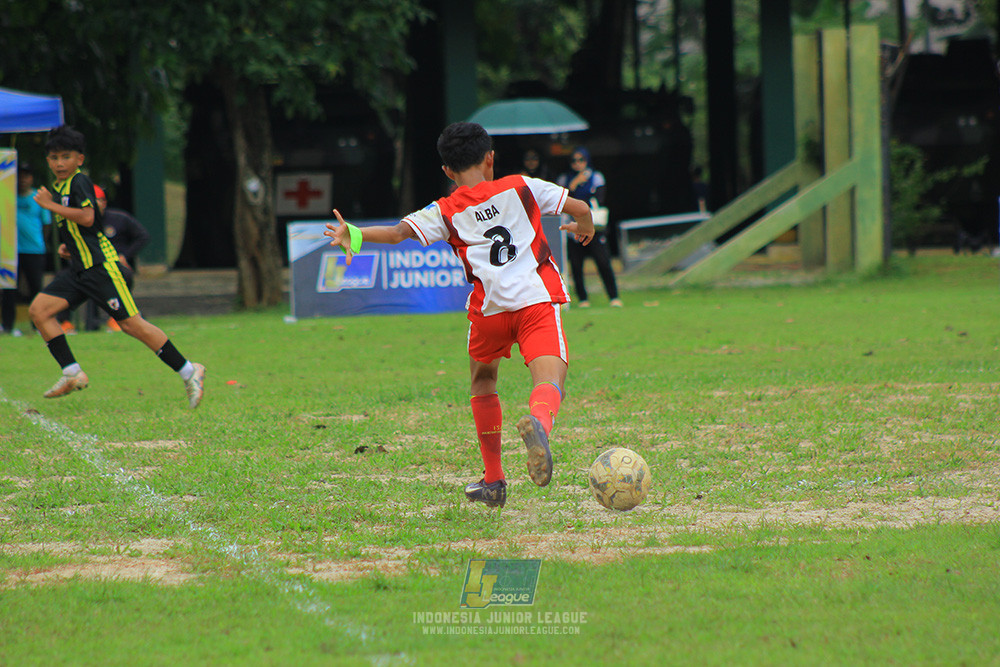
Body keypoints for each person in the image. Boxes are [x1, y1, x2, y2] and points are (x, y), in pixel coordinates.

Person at [324, 121, 595, 508]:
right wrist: (583, 225)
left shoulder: (446, 209)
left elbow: (399, 233)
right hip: (535, 301)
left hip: (489, 311)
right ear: (490, 159)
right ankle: (540, 424)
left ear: (448, 172)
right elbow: (580, 207)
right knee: (550, 381)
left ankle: (494, 479)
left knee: (483, 381)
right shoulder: (520, 185)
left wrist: (352, 234)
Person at [27, 125, 206, 408]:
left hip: (101, 267)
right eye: (53, 158)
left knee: (131, 325)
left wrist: (50, 206)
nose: (59, 163)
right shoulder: (59, 188)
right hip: (78, 269)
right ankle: (72, 373)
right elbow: (82, 229)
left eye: (66, 156)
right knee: (39, 310)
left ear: (79, 159)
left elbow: (87, 217)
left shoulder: (78, 182)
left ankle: (189, 370)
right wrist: (68, 247)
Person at [556, 147, 622, 308]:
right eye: (574, 161)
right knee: (577, 265)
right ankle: (583, 298)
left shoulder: (596, 177)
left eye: (581, 160)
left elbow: (598, 199)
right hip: (573, 227)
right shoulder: (565, 179)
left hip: (593, 226)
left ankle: (614, 296)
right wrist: (573, 185)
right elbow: (562, 201)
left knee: (603, 261)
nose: (578, 164)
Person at [82, 185, 149, 331]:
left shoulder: (120, 218)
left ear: (104, 202)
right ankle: (67, 322)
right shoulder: (81, 223)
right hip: (91, 266)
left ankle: (119, 317)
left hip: (116, 265)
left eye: (97, 200)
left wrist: (125, 256)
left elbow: (143, 236)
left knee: (124, 274)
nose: (93, 204)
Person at [1, 162, 50, 336]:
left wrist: (41, 243)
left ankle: (38, 326)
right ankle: (8, 326)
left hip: (34, 250)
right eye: (20, 176)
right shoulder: (7, 195)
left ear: (31, 178)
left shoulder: (38, 196)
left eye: (26, 176)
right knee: (9, 290)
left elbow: (46, 223)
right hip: (10, 250)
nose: (23, 180)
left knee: (36, 289)